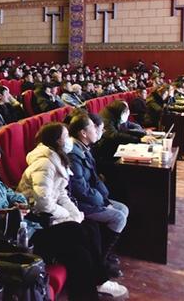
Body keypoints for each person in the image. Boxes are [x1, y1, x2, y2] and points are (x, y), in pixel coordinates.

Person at [0, 136, 127, 300]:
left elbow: (14, 195)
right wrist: (11, 213)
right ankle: (101, 279)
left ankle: (93, 289)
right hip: (13, 245)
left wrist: (18, 204)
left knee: (80, 252)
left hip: (28, 230)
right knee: (76, 229)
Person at [68, 113, 129, 267]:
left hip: (89, 198)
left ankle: (105, 253)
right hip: (78, 202)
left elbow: (94, 179)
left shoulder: (84, 149)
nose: (96, 131)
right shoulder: (73, 155)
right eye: (93, 128)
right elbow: (79, 189)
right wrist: (102, 202)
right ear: (83, 133)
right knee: (119, 217)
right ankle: (101, 260)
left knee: (123, 209)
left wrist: (105, 199)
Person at [95, 100, 156, 164]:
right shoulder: (106, 119)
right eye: (126, 112)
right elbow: (114, 135)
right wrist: (139, 139)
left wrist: (143, 133)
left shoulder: (116, 114)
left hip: (114, 145)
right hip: (105, 151)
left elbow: (128, 125)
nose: (127, 113)